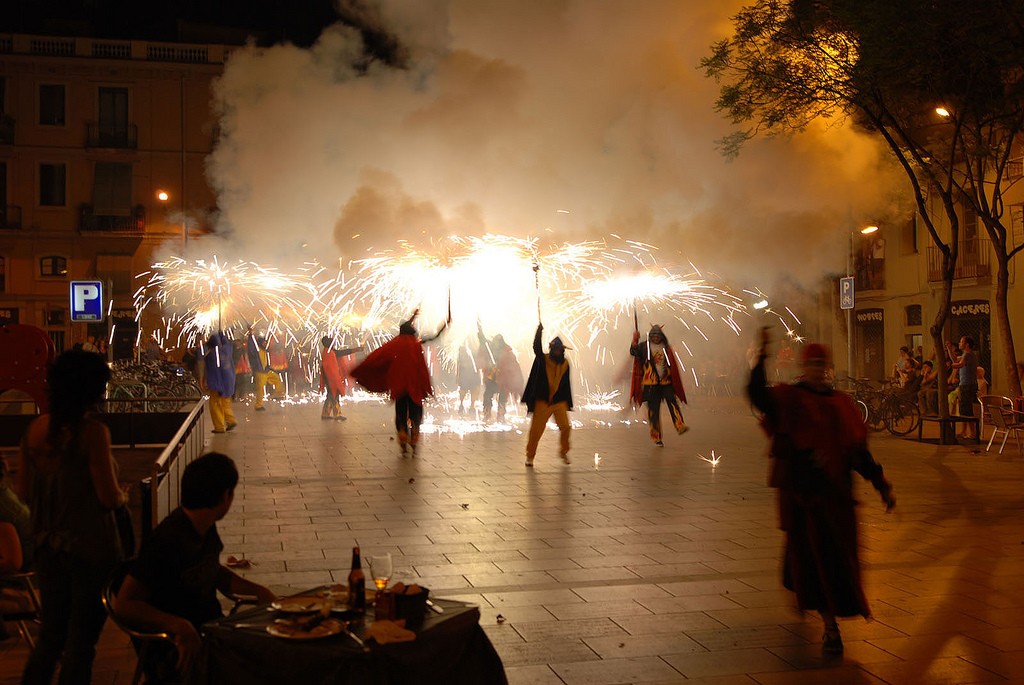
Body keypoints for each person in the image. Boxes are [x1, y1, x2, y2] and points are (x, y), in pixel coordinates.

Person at [747, 330, 895, 656]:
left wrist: (881, 484)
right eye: (811, 363)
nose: (816, 368)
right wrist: (760, 359)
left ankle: (810, 601)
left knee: (833, 561)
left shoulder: (840, 404)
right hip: (804, 498)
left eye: (821, 363)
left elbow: (858, 452)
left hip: (836, 497)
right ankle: (830, 628)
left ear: (826, 367)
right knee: (812, 560)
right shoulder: (790, 398)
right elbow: (758, 396)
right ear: (804, 366)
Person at [16, 349, 129, 684]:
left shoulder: (33, 431)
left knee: (51, 636)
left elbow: (23, 490)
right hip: (89, 551)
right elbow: (108, 498)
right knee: (81, 642)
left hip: (48, 549)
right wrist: (124, 493)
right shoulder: (92, 434)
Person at [113, 452, 276, 684]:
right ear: (225, 497)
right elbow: (125, 604)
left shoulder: (204, 526)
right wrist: (179, 626)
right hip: (176, 649)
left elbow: (212, 571)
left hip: (211, 631)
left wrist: (259, 591)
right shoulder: (167, 541)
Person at [351, 310, 447, 455]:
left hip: (400, 385)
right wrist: (444, 326)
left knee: (401, 411)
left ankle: (402, 435)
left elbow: (378, 356)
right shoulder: (416, 343)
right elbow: (434, 337)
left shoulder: (394, 343)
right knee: (416, 411)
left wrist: (361, 370)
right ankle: (414, 434)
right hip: (415, 384)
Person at [521, 322, 573, 466]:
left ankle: (563, 452)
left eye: (558, 350)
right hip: (543, 401)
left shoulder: (565, 364)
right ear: (551, 349)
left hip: (558, 401)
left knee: (566, 427)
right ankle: (530, 456)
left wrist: (567, 402)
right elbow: (536, 347)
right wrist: (539, 331)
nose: (556, 352)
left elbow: (565, 384)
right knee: (536, 431)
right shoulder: (543, 360)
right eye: (554, 350)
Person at [629, 324, 689, 446]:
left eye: (658, 336)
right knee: (653, 410)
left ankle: (680, 425)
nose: (656, 338)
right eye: (654, 336)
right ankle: (656, 436)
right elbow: (633, 352)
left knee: (672, 401)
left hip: (666, 382)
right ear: (650, 336)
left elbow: (671, 364)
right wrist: (635, 339)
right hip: (650, 383)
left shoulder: (666, 348)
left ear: (661, 336)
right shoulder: (643, 347)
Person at [477, 324, 523, 422]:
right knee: (487, 396)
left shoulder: (507, 353)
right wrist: (479, 328)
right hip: (491, 378)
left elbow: (514, 367)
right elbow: (482, 340)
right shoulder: (489, 349)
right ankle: (487, 413)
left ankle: (501, 415)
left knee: (502, 398)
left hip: (503, 380)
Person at [199, 331, 237, 434]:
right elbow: (227, 342)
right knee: (225, 403)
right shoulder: (227, 349)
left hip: (218, 384)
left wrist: (203, 343)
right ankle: (230, 420)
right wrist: (221, 335)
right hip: (229, 382)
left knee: (215, 405)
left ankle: (219, 427)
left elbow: (200, 355)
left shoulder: (212, 355)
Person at [319, 337, 361, 421]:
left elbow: (340, 353)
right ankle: (337, 414)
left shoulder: (328, 351)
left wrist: (354, 350)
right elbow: (339, 354)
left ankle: (325, 414)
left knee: (330, 395)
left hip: (329, 377)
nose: (334, 344)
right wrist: (355, 350)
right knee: (334, 395)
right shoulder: (329, 352)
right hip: (331, 378)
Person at [947, 335, 979, 439]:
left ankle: (972, 433)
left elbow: (959, 364)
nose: (959, 343)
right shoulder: (967, 355)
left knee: (967, 410)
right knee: (964, 409)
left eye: (961, 342)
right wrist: (949, 349)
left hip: (967, 385)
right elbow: (955, 360)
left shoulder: (968, 355)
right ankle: (965, 431)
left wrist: (947, 366)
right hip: (967, 385)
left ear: (967, 345)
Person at [245, 328, 283, 411]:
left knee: (277, 379)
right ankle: (258, 405)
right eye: (264, 342)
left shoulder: (264, 350)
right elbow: (251, 346)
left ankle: (278, 394)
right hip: (260, 372)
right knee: (261, 389)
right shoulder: (256, 350)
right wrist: (251, 335)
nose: (265, 344)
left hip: (266, 371)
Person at [455, 339, 480, 416]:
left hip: (466, 375)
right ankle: (470, 407)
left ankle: (464, 406)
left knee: (465, 391)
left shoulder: (463, 352)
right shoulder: (473, 352)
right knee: (472, 391)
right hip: (469, 375)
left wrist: (458, 377)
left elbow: (459, 366)